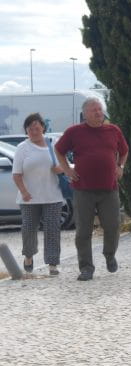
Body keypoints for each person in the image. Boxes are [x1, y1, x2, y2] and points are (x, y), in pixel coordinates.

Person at [55, 97, 128, 281]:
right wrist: (66, 170)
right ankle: (86, 267)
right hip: (83, 189)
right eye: (93, 110)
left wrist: (121, 166)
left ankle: (109, 254)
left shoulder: (113, 130)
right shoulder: (74, 132)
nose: (98, 113)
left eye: (99, 109)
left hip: (109, 188)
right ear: (85, 114)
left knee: (112, 225)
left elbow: (124, 150)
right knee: (83, 231)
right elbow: (59, 150)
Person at [11, 113, 64, 276]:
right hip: (29, 198)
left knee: (52, 230)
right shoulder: (22, 147)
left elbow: (64, 165)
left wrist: (60, 169)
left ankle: (53, 264)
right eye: (30, 128)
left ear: (43, 127)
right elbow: (16, 174)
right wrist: (24, 192)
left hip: (52, 196)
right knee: (28, 229)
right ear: (26, 130)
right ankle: (28, 256)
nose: (34, 130)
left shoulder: (52, 144)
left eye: (36, 127)